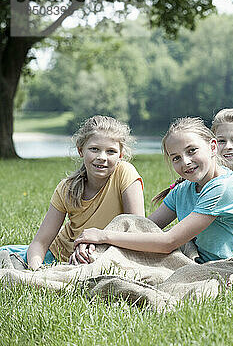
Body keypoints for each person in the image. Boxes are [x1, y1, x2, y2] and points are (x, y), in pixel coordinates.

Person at [75, 117, 233, 263]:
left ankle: (93, 260)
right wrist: (95, 242)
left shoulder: (224, 188)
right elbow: (143, 229)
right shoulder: (183, 190)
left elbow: (169, 242)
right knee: (126, 224)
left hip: (230, 266)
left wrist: (103, 236)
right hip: (199, 262)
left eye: (192, 151)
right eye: (176, 158)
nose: (185, 162)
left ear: (212, 147)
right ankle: (90, 255)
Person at [0, 115, 144, 270]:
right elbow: (40, 242)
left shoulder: (125, 173)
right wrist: (35, 271)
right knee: (5, 254)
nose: (102, 157)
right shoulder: (66, 188)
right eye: (94, 149)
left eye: (111, 151)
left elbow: (137, 231)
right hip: (59, 255)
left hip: (105, 253)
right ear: (81, 150)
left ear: (120, 155)